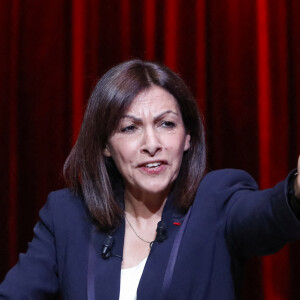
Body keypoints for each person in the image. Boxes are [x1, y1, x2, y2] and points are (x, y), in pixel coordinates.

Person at [0, 59, 299, 300]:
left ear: (187, 137)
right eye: (130, 128)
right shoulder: (66, 214)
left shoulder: (217, 199)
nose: (151, 143)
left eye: (166, 124)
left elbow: (268, 213)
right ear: (105, 145)